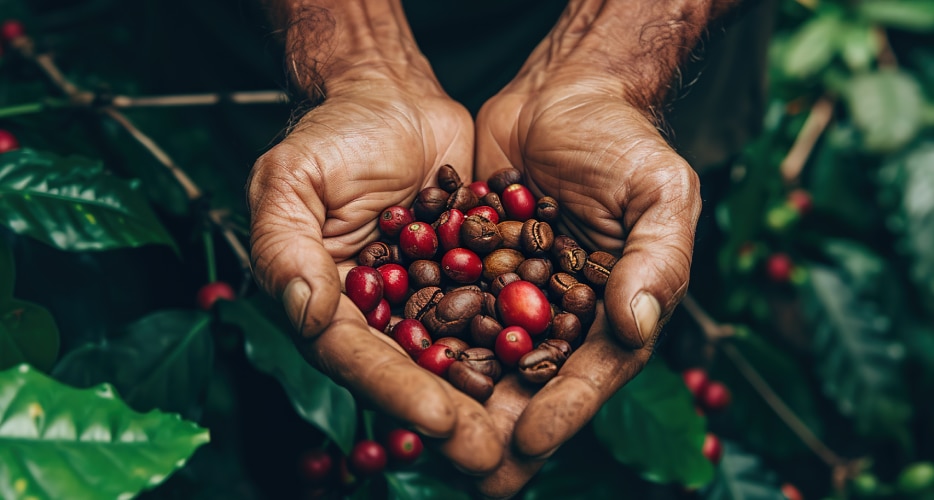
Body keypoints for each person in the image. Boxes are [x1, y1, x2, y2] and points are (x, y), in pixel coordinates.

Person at [246, 1, 770, 497]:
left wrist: (609, 66)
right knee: (288, 420)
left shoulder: (518, 254)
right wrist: (360, 67)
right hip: (304, 71)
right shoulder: (457, 254)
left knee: (649, 323)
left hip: (652, 68)